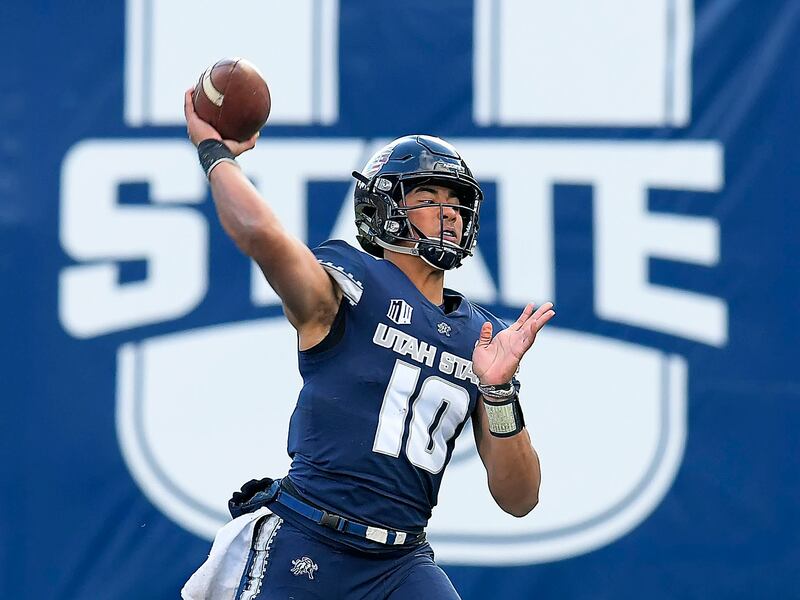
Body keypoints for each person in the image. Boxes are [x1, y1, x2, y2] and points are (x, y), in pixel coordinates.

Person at [181, 89, 555, 600]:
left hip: (400, 562)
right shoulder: (348, 284)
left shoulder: (482, 338)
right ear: (383, 207)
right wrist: (215, 154)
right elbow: (260, 234)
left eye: (456, 202)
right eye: (428, 198)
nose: (448, 213)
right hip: (310, 535)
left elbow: (520, 498)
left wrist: (499, 392)